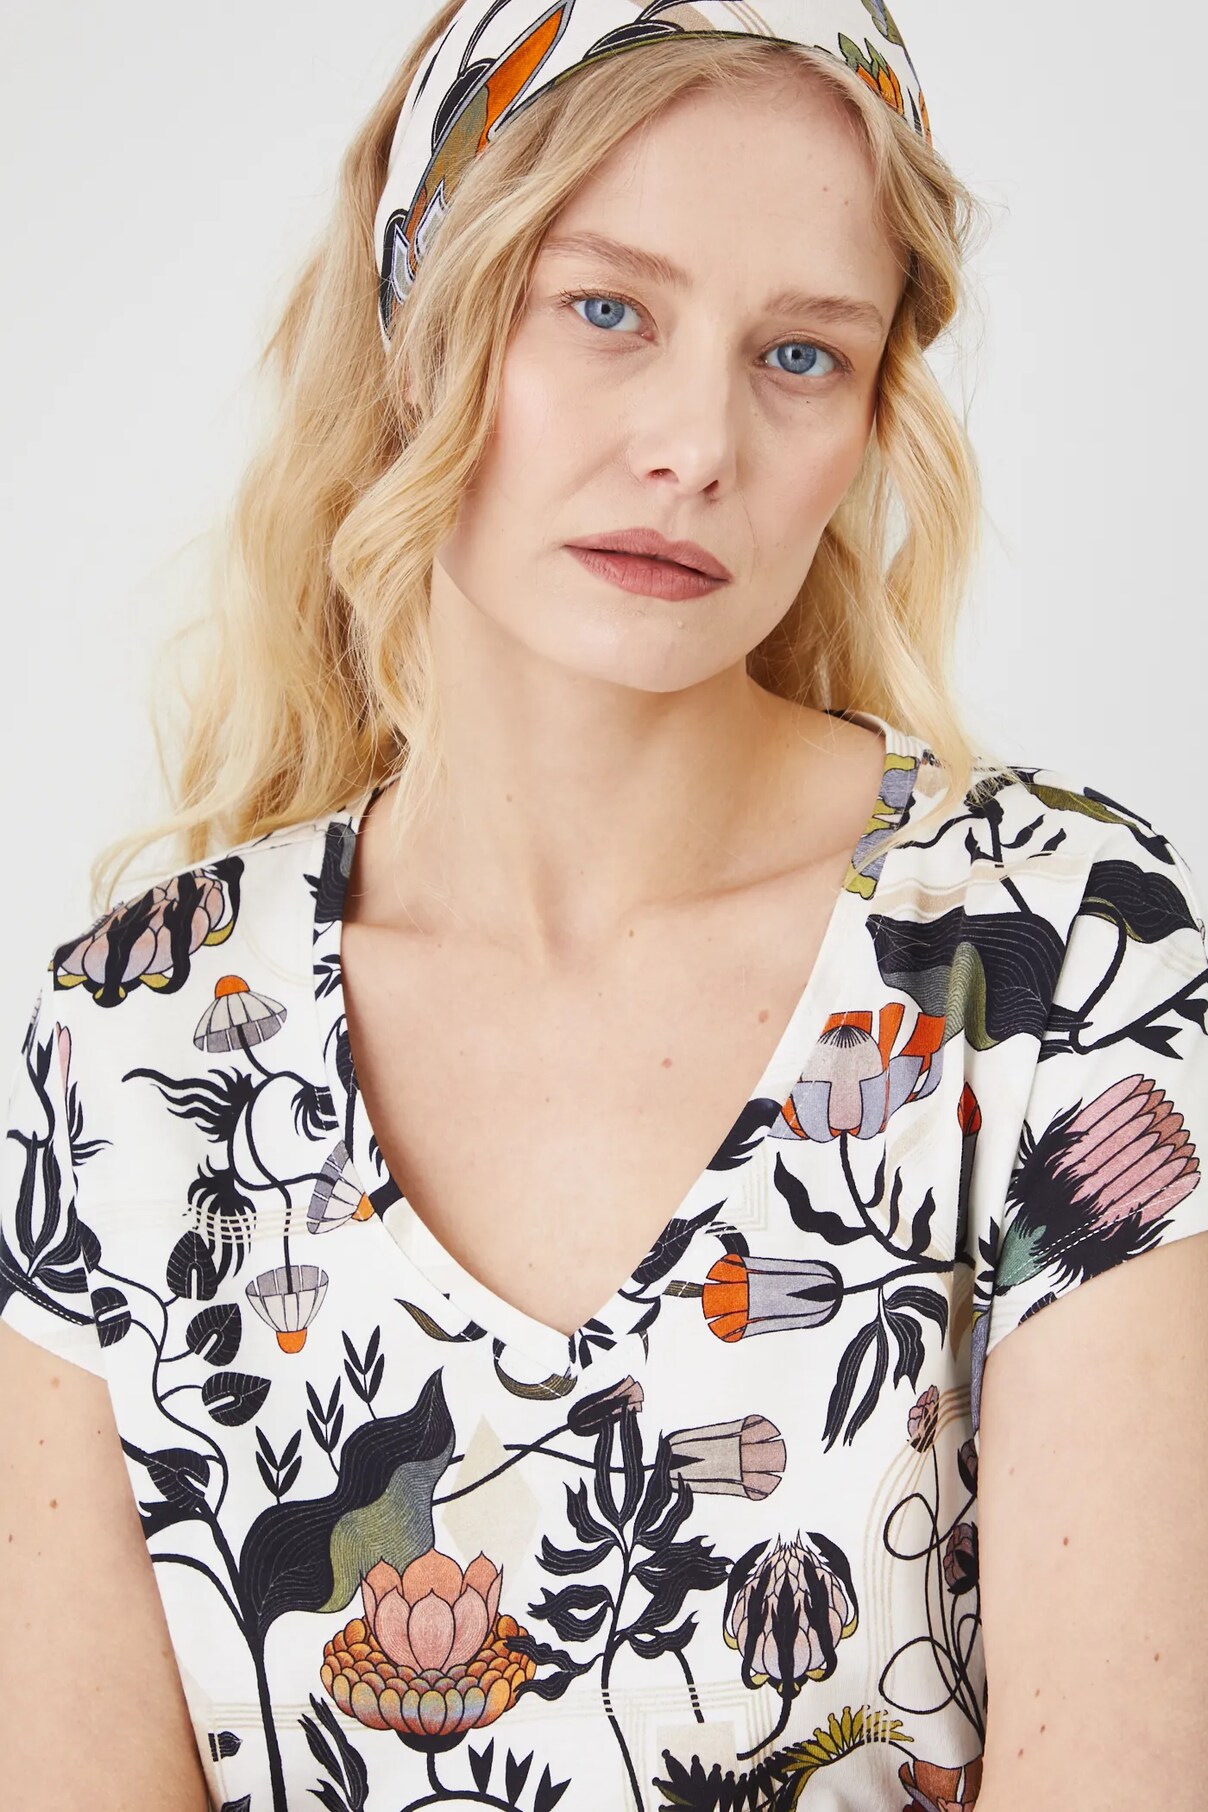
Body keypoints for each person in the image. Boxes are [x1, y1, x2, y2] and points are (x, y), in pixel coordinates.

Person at [2, 2, 1205, 1808]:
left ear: (871, 419)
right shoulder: (132, 1046)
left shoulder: (1057, 962)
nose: (696, 445)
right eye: (607, 310)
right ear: (423, 317)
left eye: (799, 354)